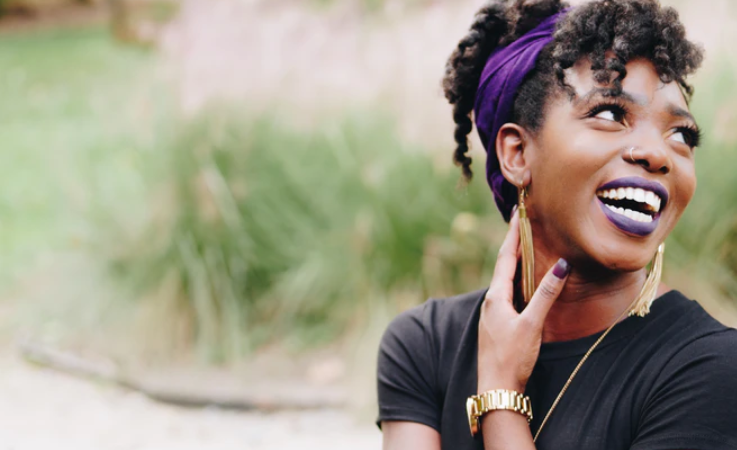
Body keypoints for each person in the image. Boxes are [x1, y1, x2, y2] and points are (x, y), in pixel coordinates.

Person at [375, 0, 737, 449]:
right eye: (610, 114)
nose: (658, 153)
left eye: (681, 134)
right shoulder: (426, 346)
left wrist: (501, 397)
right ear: (517, 154)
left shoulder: (709, 368)